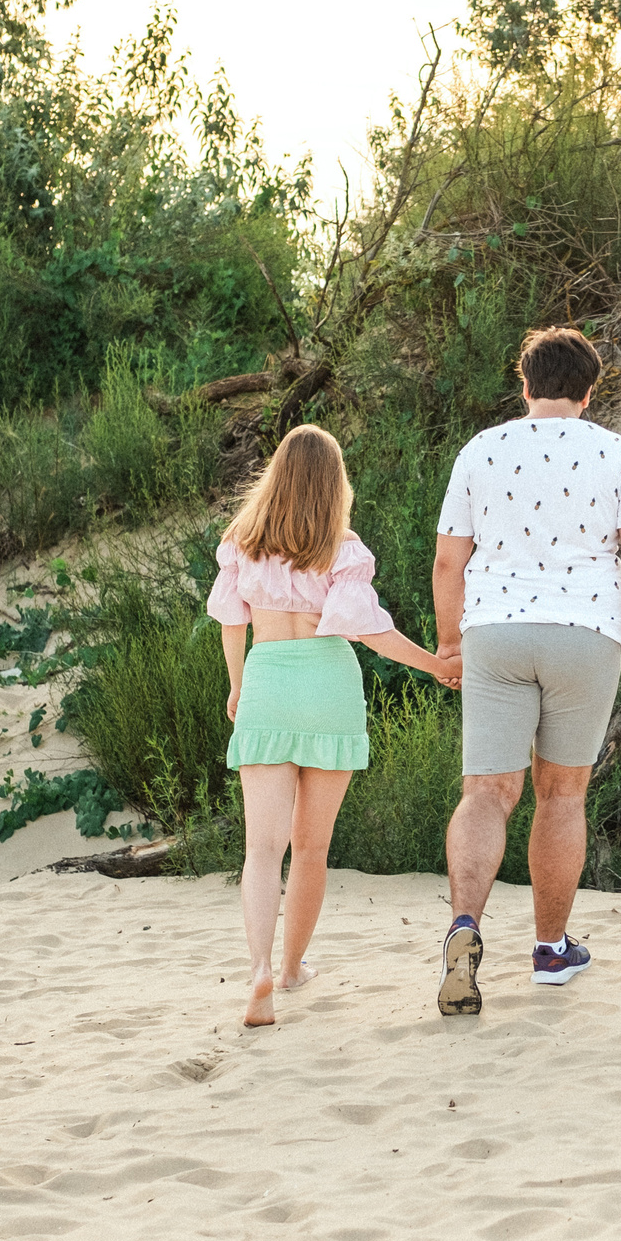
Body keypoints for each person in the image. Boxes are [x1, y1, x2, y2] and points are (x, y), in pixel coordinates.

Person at [429, 326, 621, 1016]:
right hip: (583, 633)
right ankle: (549, 948)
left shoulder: (482, 449)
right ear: (590, 391)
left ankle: (465, 927)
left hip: (497, 633)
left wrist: (450, 643)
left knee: (486, 791)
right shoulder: (616, 452)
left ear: (526, 384)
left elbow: (449, 561)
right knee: (562, 794)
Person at [211, 425, 457, 1029]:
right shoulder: (341, 549)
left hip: (268, 679)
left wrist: (239, 685)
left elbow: (229, 622)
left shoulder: (242, 543)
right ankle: (294, 967)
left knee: (261, 850)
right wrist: (437, 666)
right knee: (312, 849)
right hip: (328, 688)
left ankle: (261, 969)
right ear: (334, 486)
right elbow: (368, 630)